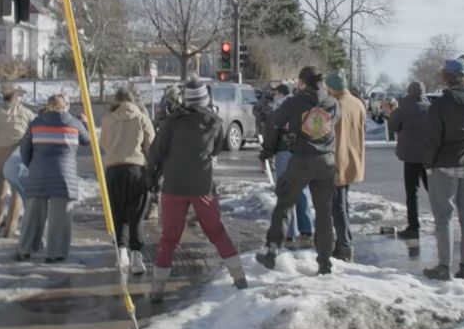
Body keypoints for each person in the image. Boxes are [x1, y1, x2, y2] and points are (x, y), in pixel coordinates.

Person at [147, 77, 247, 302]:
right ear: (206, 99)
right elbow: (216, 150)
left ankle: (157, 288)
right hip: (202, 186)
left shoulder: (173, 122)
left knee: (169, 237)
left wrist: (152, 177)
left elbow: (156, 152)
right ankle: (239, 276)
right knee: (216, 231)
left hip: (173, 186)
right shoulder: (215, 123)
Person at [257, 66, 341, 275]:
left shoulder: (295, 102)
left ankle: (272, 251)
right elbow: (332, 124)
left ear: (303, 82)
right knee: (324, 213)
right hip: (326, 162)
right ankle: (324, 263)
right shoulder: (332, 102)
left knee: (284, 204)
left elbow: (274, 122)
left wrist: (268, 149)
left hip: (302, 159)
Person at [421, 60, 464, 281]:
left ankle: (443, 266)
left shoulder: (441, 105)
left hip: (445, 164)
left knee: (444, 218)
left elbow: (432, 139)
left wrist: (428, 164)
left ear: (446, 78)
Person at [16, 95, 90, 263]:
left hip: (38, 175)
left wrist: (33, 166)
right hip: (64, 178)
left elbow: (24, 148)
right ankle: (54, 253)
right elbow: (87, 140)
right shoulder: (74, 123)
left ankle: (26, 249)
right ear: (65, 107)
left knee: (32, 216)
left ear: (48, 106)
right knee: (60, 218)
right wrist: (84, 122)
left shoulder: (36, 123)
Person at [101, 87, 155, 275]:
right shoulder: (141, 118)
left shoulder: (108, 119)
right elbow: (151, 145)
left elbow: (105, 144)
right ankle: (137, 256)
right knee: (136, 215)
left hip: (114, 170)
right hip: (136, 170)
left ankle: (121, 253)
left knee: (117, 213)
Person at [0, 86, 35, 236]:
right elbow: (35, 127)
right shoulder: (26, 112)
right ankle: (11, 226)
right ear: (17, 99)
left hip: (2, 150)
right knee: (16, 189)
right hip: (19, 151)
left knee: (1, 184)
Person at [325, 73, 366, 262]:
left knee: (338, 206)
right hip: (353, 157)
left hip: (337, 159)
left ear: (332, 88)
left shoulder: (334, 105)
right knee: (343, 202)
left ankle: (344, 245)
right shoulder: (358, 103)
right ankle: (345, 240)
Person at [385, 81, 430, 239]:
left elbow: (392, 125)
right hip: (429, 156)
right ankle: (442, 223)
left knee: (412, 193)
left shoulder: (405, 107)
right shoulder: (429, 106)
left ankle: (413, 227)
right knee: (434, 191)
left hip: (411, 156)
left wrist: (392, 112)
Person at [269, 84, 313, 241]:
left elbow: (273, 130)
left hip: (284, 150)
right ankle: (307, 227)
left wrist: (267, 152)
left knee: (287, 191)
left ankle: (290, 231)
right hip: (303, 152)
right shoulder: (308, 106)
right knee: (301, 189)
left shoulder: (283, 106)